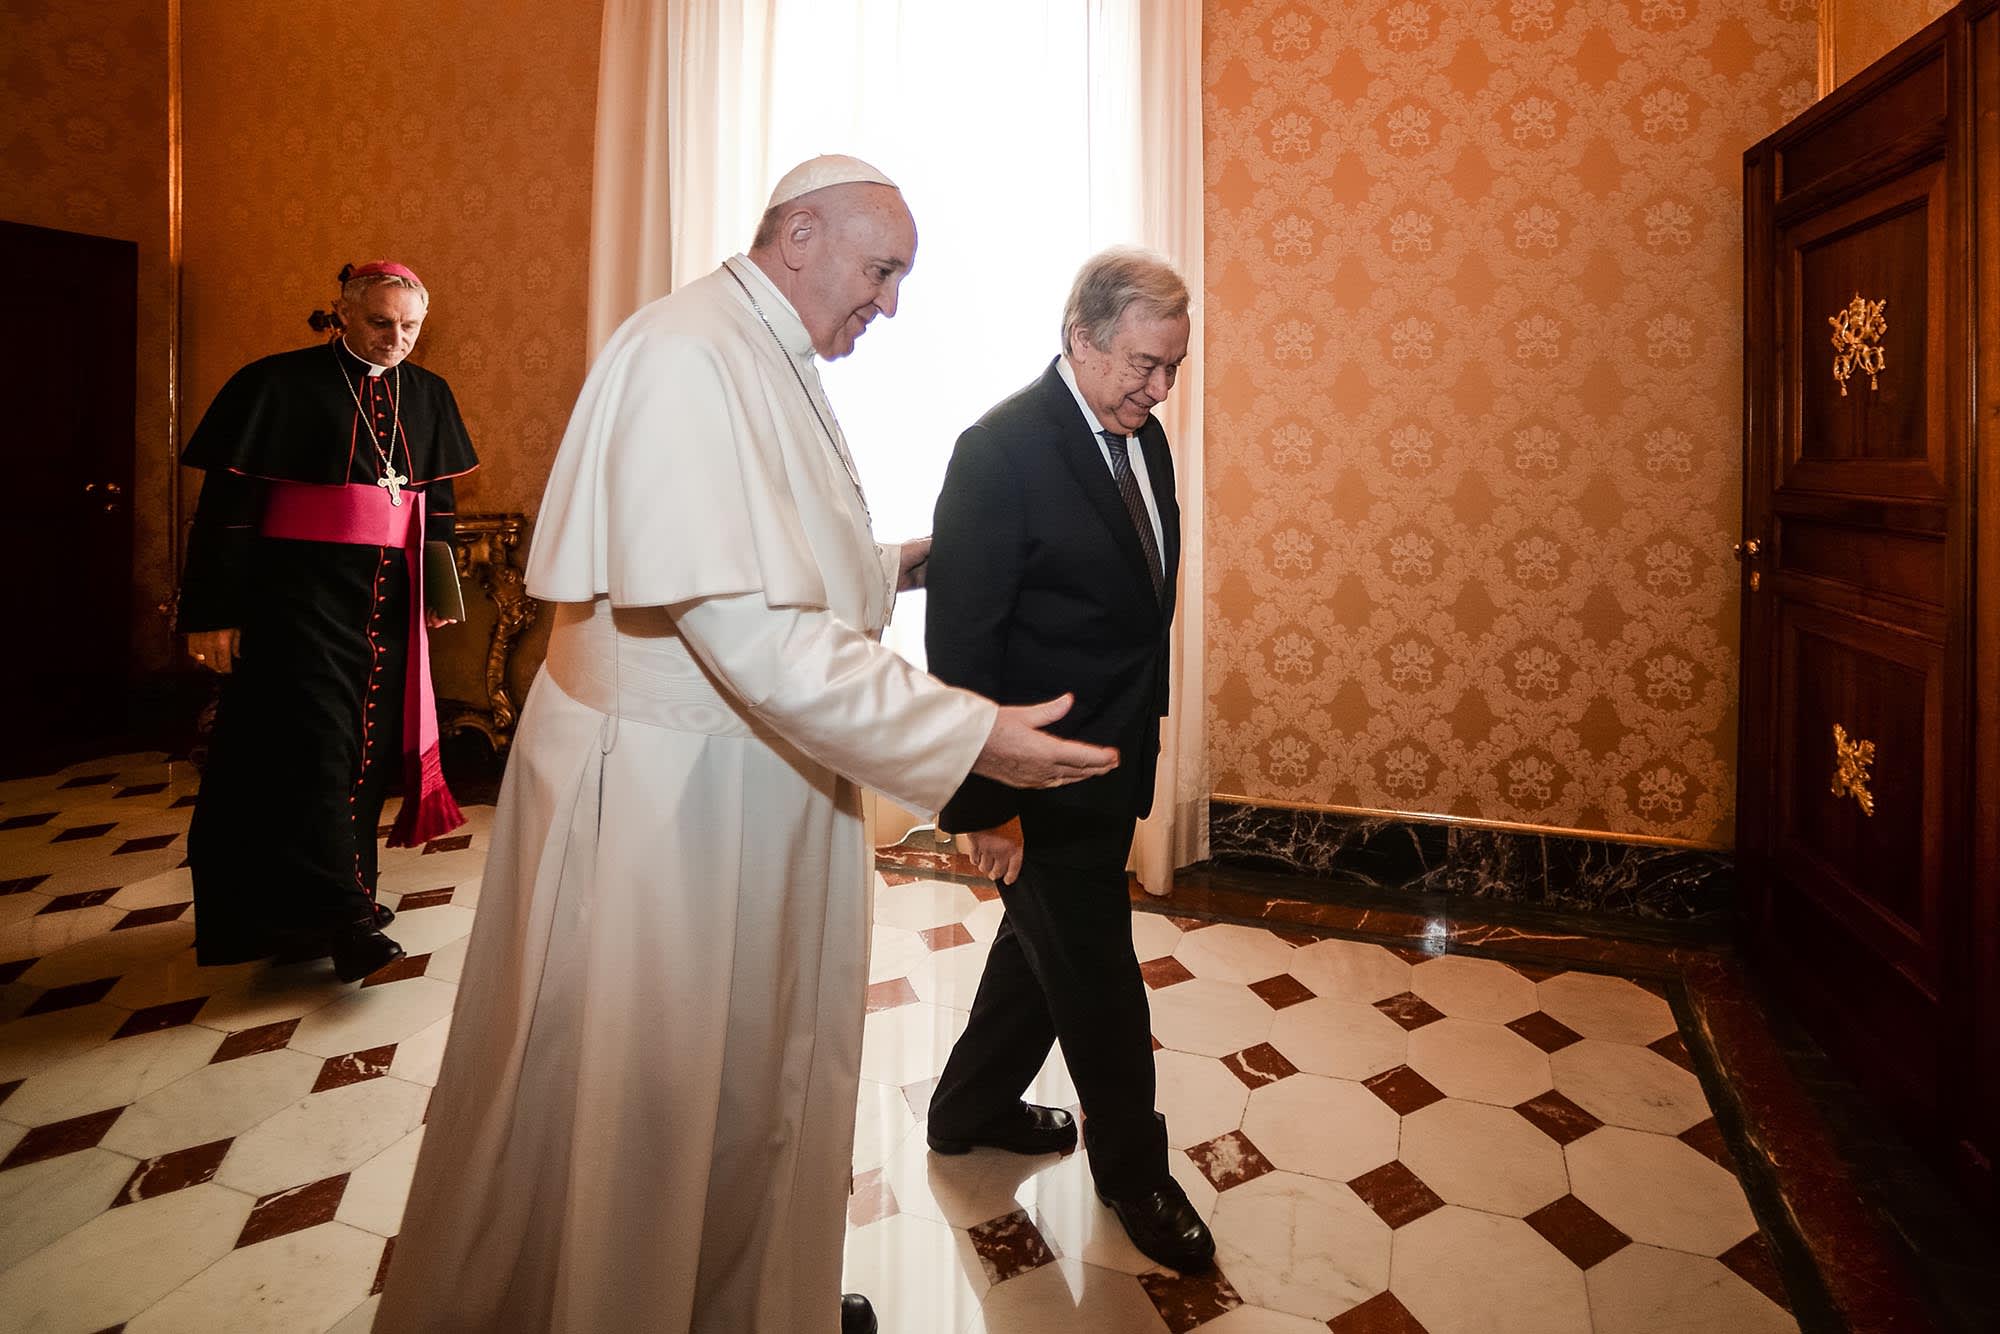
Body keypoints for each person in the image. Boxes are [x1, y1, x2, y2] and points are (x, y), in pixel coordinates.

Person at [375, 156, 1121, 1334]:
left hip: (740, 777)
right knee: (656, 1094)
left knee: (750, 1074)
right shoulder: (685, 353)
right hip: (667, 800)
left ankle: (741, 1294)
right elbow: (743, 627)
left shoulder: (754, 339)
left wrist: (898, 563)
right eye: (881, 272)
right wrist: (970, 734)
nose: (889, 303)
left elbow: (758, 560)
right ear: (800, 237)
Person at [922, 248, 1214, 1273]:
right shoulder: (997, 450)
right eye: (1142, 362)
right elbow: (960, 648)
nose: (1159, 387)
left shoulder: (1142, 433)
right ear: (1079, 335)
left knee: (1041, 948)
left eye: (1173, 365)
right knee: (1095, 974)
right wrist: (985, 805)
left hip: (1113, 755)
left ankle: (966, 1108)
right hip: (1029, 780)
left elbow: (1134, 608)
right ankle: (1132, 1170)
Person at [177, 260, 476, 983]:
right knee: (316, 750)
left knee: (363, 757)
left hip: (387, 604)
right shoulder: (275, 384)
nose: (395, 339)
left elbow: (435, 510)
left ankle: (339, 902)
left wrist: (438, 593)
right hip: (297, 599)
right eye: (380, 322)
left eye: (409, 327)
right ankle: (344, 918)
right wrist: (214, 613)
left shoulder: (428, 394)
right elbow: (227, 513)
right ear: (341, 314)